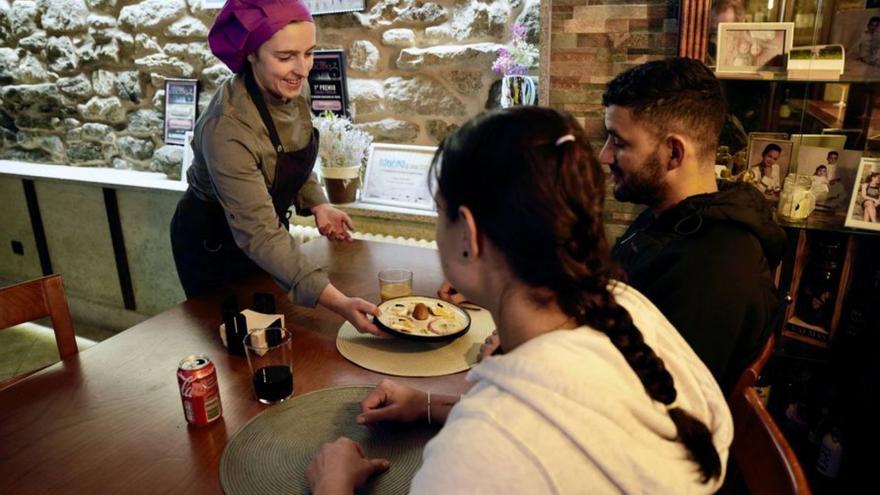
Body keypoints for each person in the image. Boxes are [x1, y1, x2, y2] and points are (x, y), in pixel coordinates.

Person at [305, 107, 732, 493]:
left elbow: (528, 439)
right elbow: (573, 421)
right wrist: (432, 405)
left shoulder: (478, 456)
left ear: (469, 235)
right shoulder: (626, 306)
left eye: (440, 214)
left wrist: (333, 486)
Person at [169, 0, 379, 335]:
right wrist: (341, 304)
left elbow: (290, 154)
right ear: (251, 53)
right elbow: (261, 233)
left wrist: (318, 203)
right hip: (213, 246)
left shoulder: (294, 88)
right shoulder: (227, 128)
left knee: (276, 330)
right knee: (237, 344)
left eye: (308, 53)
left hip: (264, 235)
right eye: (285, 57)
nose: (303, 69)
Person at [601, 58, 787, 394]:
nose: (604, 156)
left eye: (619, 142)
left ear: (673, 152)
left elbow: (654, 406)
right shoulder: (668, 215)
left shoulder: (715, 272)